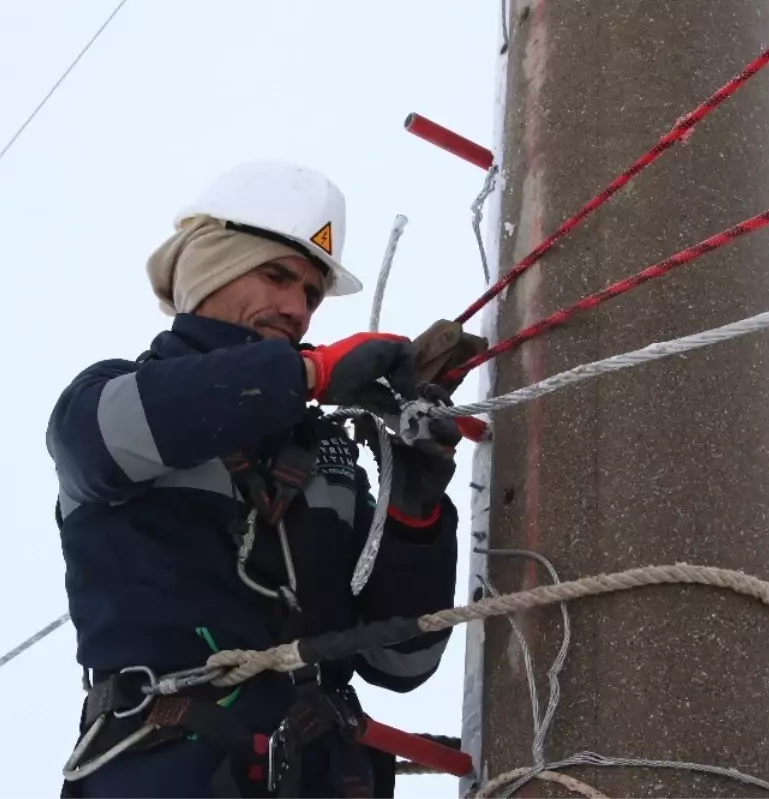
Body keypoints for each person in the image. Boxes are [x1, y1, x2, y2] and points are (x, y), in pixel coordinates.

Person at [47, 160, 463, 799]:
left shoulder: (328, 458)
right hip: (167, 770)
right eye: (277, 276)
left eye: (312, 295)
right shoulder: (102, 406)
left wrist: (414, 510)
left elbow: (401, 662)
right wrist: (308, 376)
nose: (297, 308)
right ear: (209, 266)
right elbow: (118, 436)